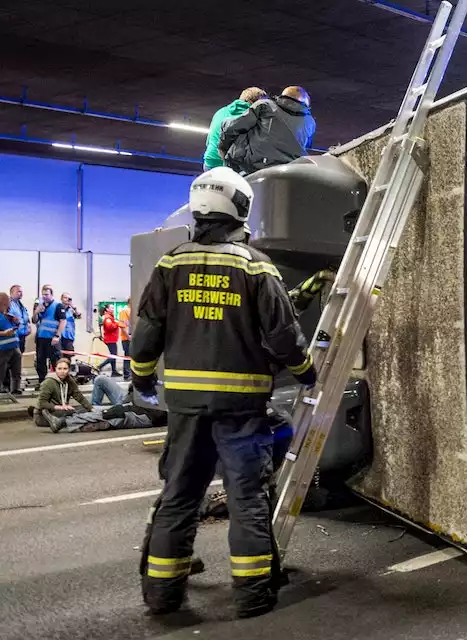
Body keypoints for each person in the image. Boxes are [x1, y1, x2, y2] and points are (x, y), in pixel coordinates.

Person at [132, 166, 317, 618]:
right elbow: (282, 335)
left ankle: (162, 595)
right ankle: (253, 596)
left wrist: (141, 376)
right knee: (247, 497)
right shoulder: (254, 266)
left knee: (179, 495)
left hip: (185, 406)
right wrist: (306, 371)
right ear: (240, 207)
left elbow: (149, 326)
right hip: (241, 406)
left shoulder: (171, 263)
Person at [219, 86, 316, 174]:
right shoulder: (311, 122)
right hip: (288, 173)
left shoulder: (265, 105)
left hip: (253, 169)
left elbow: (233, 126)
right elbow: (306, 146)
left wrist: (224, 124)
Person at [204, 87, 269, 171]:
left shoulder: (220, 111)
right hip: (228, 166)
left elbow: (208, 141)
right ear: (258, 103)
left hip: (210, 162)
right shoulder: (251, 116)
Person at [34, 358, 95, 432]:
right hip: (44, 415)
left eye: (65, 369)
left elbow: (79, 396)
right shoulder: (48, 382)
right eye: (59, 369)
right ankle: (60, 421)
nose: (62, 371)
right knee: (74, 413)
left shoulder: (69, 381)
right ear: (55, 369)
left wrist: (91, 408)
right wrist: (60, 407)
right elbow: (42, 403)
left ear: (68, 370)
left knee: (85, 410)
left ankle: (66, 421)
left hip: (61, 412)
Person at [32, 285, 66, 382]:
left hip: (52, 339)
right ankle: (42, 381)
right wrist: (36, 312)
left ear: (51, 294)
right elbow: (34, 321)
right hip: (41, 338)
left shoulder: (58, 306)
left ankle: (59, 382)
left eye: (47, 294)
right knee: (40, 361)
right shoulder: (40, 306)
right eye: (43, 295)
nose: (44, 296)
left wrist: (57, 336)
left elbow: (63, 321)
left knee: (56, 361)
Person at [0, 291, 21, 394]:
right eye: (8, 300)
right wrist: (4, 333)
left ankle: (16, 388)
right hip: (3, 348)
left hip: (14, 346)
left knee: (16, 369)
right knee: (2, 369)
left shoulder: (7, 314)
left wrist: (16, 321)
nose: (10, 302)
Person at [56, 293, 82, 360]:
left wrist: (75, 308)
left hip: (69, 336)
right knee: (59, 355)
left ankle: (67, 369)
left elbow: (79, 316)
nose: (67, 299)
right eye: (65, 297)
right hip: (59, 335)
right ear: (61, 299)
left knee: (68, 355)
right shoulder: (58, 308)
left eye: (69, 298)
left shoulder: (72, 310)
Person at [9, 284, 30, 361]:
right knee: (13, 358)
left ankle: (16, 372)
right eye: (19, 292)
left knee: (19, 356)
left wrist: (28, 325)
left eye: (22, 292)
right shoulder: (9, 303)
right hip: (13, 336)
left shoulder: (20, 304)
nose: (21, 293)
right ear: (12, 292)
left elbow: (25, 317)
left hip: (22, 335)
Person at [100, 306, 121, 376]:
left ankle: (114, 371)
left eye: (113, 308)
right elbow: (109, 327)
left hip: (112, 339)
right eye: (111, 308)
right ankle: (100, 366)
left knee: (113, 355)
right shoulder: (107, 317)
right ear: (107, 309)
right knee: (113, 355)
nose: (113, 309)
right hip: (110, 339)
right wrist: (117, 323)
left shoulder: (111, 317)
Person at [120, 299, 133, 380]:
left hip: (132, 337)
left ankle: (130, 373)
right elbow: (122, 326)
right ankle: (127, 374)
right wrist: (128, 336)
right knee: (127, 356)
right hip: (127, 338)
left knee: (131, 356)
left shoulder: (133, 311)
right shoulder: (124, 311)